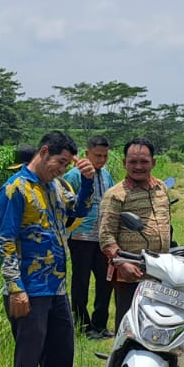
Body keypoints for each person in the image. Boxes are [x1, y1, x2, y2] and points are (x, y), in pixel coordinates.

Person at [0, 132, 96, 367]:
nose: (62, 169)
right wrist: (16, 288)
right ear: (43, 151)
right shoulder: (15, 189)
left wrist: (88, 181)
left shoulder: (58, 186)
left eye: (67, 164)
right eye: (60, 162)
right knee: (28, 359)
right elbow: (6, 241)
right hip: (29, 290)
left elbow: (78, 212)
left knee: (62, 353)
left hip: (56, 288)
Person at [98, 138, 172, 329]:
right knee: (129, 325)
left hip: (161, 271)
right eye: (132, 162)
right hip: (129, 274)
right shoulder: (116, 195)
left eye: (144, 162)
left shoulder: (161, 188)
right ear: (124, 163)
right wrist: (122, 262)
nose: (138, 166)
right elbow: (106, 236)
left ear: (153, 163)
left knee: (157, 325)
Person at [66, 135, 114, 338]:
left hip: (102, 237)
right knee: (81, 282)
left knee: (105, 282)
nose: (101, 160)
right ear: (87, 154)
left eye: (104, 156)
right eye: (97, 155)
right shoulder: (74, 176)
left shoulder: (106, 175)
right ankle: (82, 325)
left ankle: (100, 324)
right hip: (80, 237)